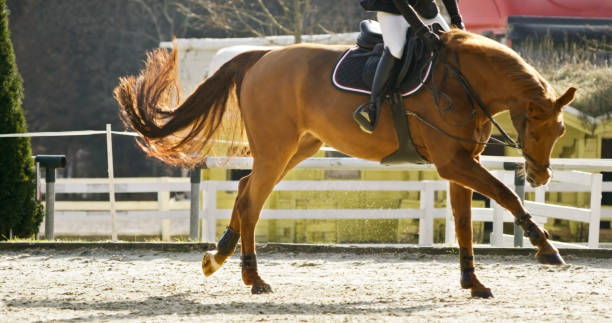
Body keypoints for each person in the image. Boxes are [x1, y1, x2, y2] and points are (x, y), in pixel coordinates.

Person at [354, 0, 465, 133]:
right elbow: (401, 3)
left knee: (454, 46)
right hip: (393, 9)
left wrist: (457, 20)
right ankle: (372, 108)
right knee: (396, 50)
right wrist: (424, 33)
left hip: (424, 7)